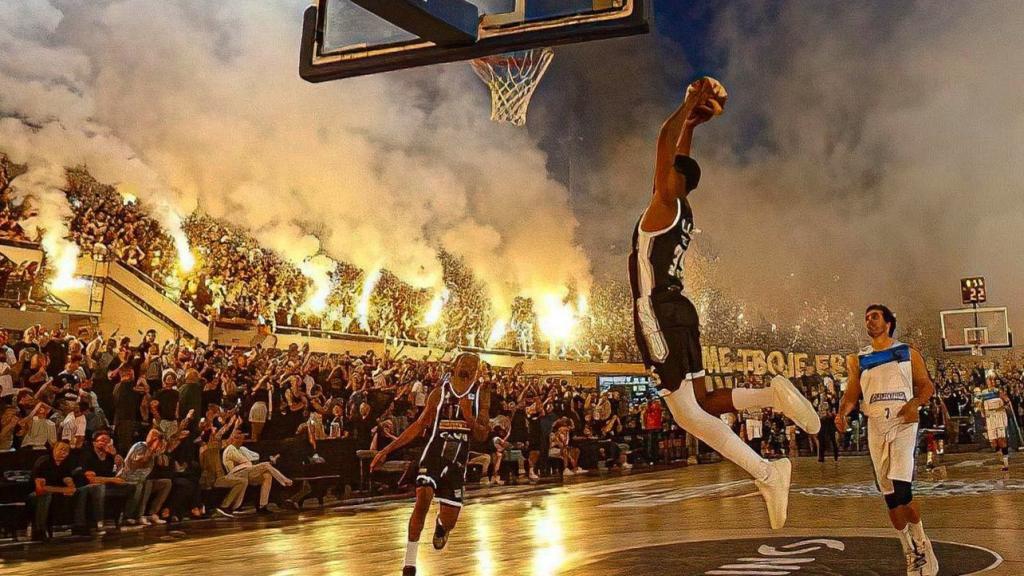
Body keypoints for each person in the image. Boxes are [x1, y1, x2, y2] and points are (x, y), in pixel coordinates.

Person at [628, 76, 820, 529]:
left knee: (687, 413)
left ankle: (767, 472)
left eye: (666, 171)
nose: (659, 173)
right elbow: (677, 156)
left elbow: (662, 141)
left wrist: (687, 104)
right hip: (680, 312)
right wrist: (692, 126)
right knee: (704, 401)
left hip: (657, 311)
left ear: (673, 180)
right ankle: (771, 396)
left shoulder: (665, 201)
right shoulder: (681, 209)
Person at [836, 304, 938, 576]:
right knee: (891, 498)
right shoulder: (860, 359)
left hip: (902, 421)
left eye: (875, 316)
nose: (869, 321)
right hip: (876, 424)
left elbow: (927, 385)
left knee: (903, 489)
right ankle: (909, 549)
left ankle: (922, 543)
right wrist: (842, 413)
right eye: (866, 317)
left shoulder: (907, 352)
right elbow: (851, 395)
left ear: (889, 322)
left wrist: (916, 403)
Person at [370, 353, 491, 576]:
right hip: (434, 454)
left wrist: (468, 417)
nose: (468, 370)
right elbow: (419, 425)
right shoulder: (439, 392)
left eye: (473, 367)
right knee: (423, 497)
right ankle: (409, 563)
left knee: (450, 520)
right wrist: (386, 450)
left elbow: (483, 435)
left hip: (457, 462)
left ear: (477, 372)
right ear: (455, 367)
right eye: (465, 365)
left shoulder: (481, 394)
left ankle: (442, 526)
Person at [977, 372, 1012, 471]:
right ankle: (1000, 455)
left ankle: (1006, 464)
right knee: (994, 442)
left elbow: (1007, 401)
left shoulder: (998, 391)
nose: (991, 382)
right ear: (986, 381)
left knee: (1002, 439)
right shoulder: (983, 393)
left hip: (999, 416)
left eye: (993, 380)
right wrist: (982, 413)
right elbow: (979, 405)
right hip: (990, 417)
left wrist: (1003, 407)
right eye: (989, 380)